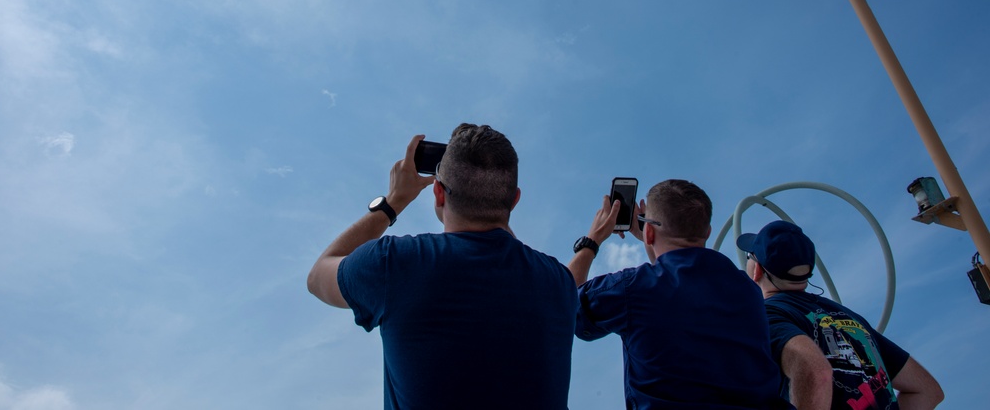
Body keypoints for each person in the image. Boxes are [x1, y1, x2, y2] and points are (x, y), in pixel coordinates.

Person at [307, 124, 578, 410]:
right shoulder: (559, 283)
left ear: (438, 193)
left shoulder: (395, 263)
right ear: (515, 199)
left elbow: (317, 277)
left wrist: (394, 202)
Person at [569, 179, 790, 409]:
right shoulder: (749, 291)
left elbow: (565, 302)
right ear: (708, 232)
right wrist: (652, 241)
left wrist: (591, 240)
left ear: (649, 233)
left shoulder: (632, 289)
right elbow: (677, 283)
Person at [737, 220, 944, 410]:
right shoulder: (849, 318)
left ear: (757, 270)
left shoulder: (768, 315)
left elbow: (815, 372)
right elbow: (926, 391)